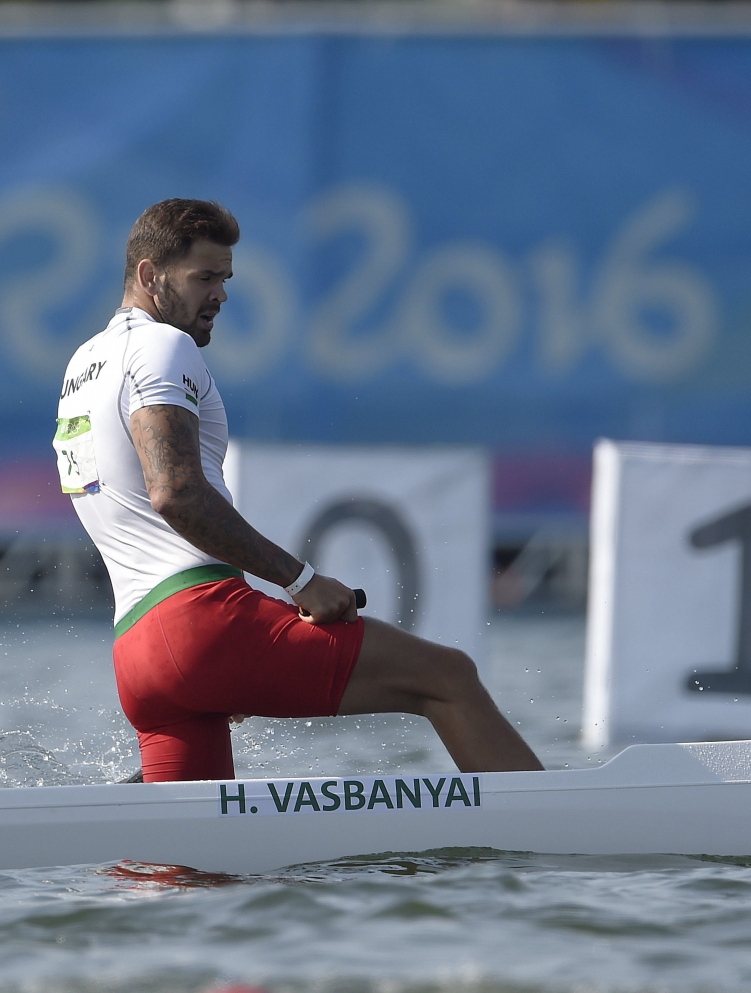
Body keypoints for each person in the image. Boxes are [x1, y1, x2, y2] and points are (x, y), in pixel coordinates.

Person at [55, 198, 543, 782]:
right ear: (148, 275)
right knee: (448, 678)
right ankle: (562, 838)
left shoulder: (81, 367)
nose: (221, 294)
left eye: (226, 278)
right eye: (204, 277)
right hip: (201, 624)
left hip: (138, 655)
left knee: (188, 866)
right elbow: (176, 494)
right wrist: (302, 582)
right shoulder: (162, 347)